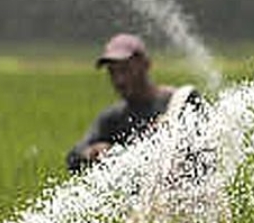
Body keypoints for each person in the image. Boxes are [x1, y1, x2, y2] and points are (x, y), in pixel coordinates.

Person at [66, 33, 200, 173]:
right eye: (112, 72)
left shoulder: (181, 101)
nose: (119, 80)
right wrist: (91, 153)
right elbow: (73, 157)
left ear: (145, 65)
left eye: (125, 70)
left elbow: (204, 155)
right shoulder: (113, 118)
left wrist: (171, 135)